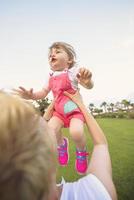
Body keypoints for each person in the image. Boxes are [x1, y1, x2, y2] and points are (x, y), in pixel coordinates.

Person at [0, 91, 117, 200]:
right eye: (37, 121)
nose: (42, 118)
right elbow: (100, 144)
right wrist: (79, 103)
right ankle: (80, 152)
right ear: (47, 156)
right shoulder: (94, 193)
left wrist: (48, 113)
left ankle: (63, 144)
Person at [15, 42, 93, 174]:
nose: (53, 54)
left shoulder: (73, 72)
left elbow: (88, 86)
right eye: (51, 54)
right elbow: (43, 92)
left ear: (69, 60)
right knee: (50, 131)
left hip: (74, 111)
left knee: (76, 132)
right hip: (59, 113)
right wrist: (31, 96)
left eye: (57, 52)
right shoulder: (50, 76)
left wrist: (87, 81)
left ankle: (81, 153)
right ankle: (62, 145)